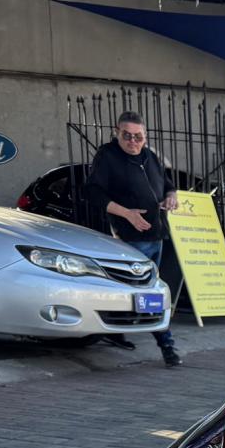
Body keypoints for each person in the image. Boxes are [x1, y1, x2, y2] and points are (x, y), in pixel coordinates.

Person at [85, 110, 182, 367]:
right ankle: (167, 344)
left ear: (145, 136)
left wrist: (171, 196)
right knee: (146, 292)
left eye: (138, 136)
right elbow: (93, 192)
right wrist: (127, 214)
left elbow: (168, 184)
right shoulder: (108, 156)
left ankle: (116, 332)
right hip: (129, 238)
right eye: (126, 135)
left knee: (143, 290)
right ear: (117, 133)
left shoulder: (150, 157)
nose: (132, 141)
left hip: (157, 235)